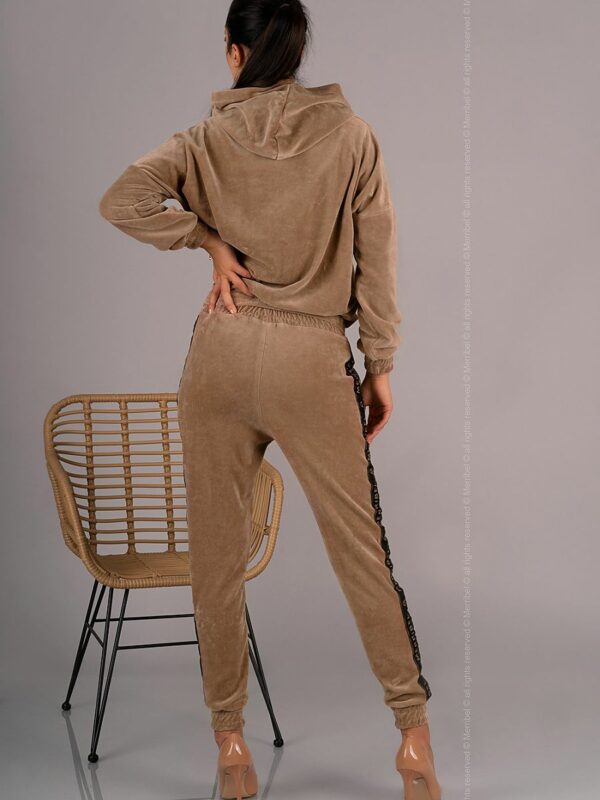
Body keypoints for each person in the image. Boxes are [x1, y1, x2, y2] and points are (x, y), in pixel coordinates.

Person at [98, 2, 442, 798]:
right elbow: (378, 259)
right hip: (310, 358)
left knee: (216, 560)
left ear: (234, 52)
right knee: (361, 553)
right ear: (294, 51)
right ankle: (413, 742)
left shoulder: (202, 141)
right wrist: (380, 364)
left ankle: (231, 749)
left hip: (221, 351)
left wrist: (206, 240)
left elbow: (121, 201)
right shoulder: (352, 137)